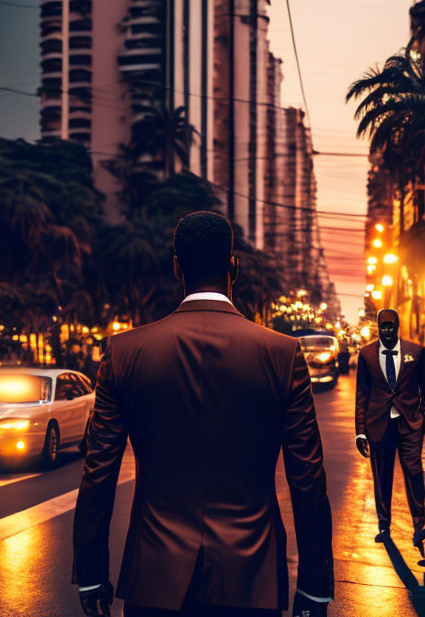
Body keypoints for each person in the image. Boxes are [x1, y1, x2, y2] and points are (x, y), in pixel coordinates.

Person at [73, 211, 333, 617]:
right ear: (235, 266)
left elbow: (98, 472)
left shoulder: (124, 353)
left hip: (154, 579)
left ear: (177, 266)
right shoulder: (283, 354)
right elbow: (308, 479)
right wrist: (315, 585)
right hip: (252, 580)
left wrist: (91, 571)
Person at [355, 309, 425, 550]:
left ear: (398, 326)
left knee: (414, 469)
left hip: (409, 422)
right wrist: (360, 430)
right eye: (383, 327)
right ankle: (383, 525)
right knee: (382, 475)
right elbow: (362, 394)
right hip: (379, 423)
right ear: (378, 328)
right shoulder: (366, 354)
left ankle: (419, 526)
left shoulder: (416, 352)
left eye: (391, 326)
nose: (387, 331)